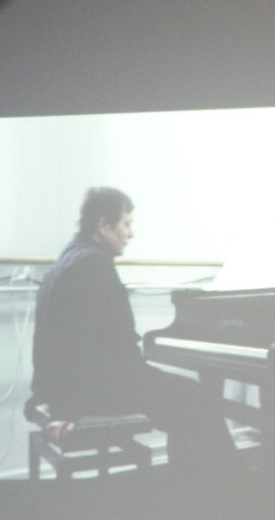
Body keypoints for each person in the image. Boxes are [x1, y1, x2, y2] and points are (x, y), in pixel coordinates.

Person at [28, 186, 229, 464]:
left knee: (186, 400)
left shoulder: (69, 258)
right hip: (93, 389)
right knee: (198, 400)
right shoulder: (93, 264)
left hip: (70, 385)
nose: (131, 233)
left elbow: (56, 344)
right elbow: (81, 345)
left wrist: (55, 398)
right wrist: (66, 410)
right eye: (126, 224)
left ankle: (192, 482)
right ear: (103, 226)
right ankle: (223, 487)